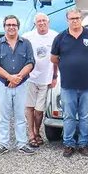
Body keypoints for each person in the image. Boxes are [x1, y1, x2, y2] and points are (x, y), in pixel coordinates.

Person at [50, 8, 88, 157]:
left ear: (81, 19)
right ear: (67, 20)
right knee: (69, 116)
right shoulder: (60, 38)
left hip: (87, 84)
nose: (75, 21)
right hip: (68, 85)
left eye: (77, 18)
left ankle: (83, 144)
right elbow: (54, 58)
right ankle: (68, 144)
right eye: (72, 19)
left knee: (85, 116)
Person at [0, 15, 35, 155]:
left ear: (18, 27)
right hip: (3, 85)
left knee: (20, 115)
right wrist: (9, 77)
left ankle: (22, 144)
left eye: (14, 25)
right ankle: (4, 144)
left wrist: (18, 78)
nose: (11, 27)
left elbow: (31, 62)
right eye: (8, 25)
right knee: (3, 116)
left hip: (21, 84)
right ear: (4, 27)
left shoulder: (26, 44)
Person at [22, 14, 58, 148]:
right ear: (35, 23)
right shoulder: (27, 36)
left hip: (46, 79)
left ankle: (37, 131)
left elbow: (57, 58)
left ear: (48, 22)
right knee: (29, 107)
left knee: (39, 110)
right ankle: (32, 135)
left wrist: (54, 76)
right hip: (30, 78)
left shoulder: (55, 36)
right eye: (39, 21)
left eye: (44, 21)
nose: (42, 23)